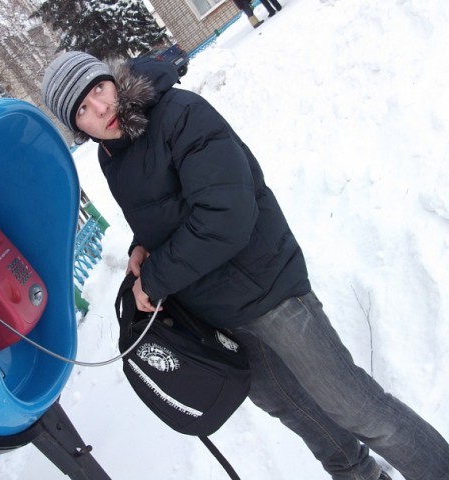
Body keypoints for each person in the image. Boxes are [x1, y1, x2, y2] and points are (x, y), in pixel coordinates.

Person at [41, 51, 449, 480]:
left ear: (113, 79)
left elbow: (225, 217)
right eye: (82, 109)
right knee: (295, 411)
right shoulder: (112, 155)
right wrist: (142, 246)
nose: (101, 108)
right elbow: (162, 207)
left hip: (266, 288)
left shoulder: (179, 114)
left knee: (356, 406)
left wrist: (156, 280)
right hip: (213, 312)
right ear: (77, 126)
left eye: (99, 89)